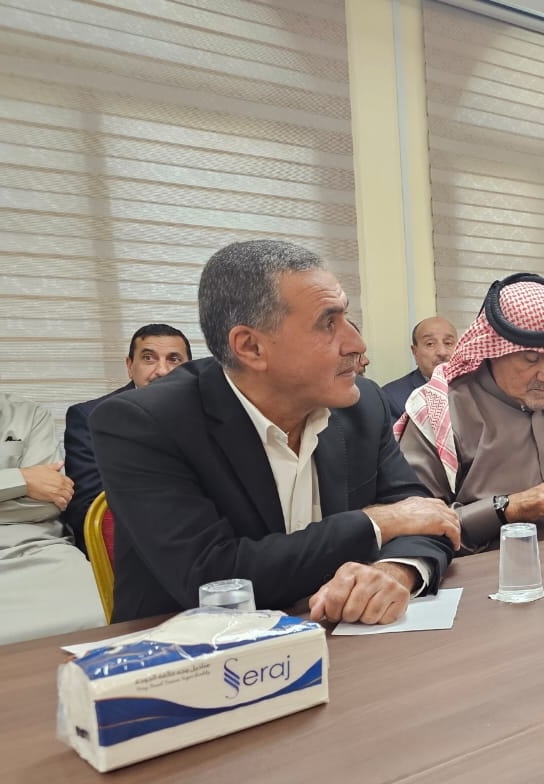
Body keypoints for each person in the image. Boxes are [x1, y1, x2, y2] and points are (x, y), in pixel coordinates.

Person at [91, 240, 457, 625]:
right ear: (251, 347)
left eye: (346, 317)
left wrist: (393, 572)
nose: (357, 344)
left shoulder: (362, 404)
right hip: (195, 649)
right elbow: (212, 577)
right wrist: (376, 523)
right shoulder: (144, 424)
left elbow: (424, 517)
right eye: (328, 323)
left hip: (339, 637)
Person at [398, 273, 544, 553]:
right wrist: (507, 508)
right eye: (531, 360)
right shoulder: (440, 412)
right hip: (494, 573)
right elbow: (415, 526)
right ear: (493, 352)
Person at [0, 336, 106, 645]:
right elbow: (35, 494)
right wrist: (22, 480)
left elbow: (50, 502)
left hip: (40, 551)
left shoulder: (30, 415)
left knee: (104, 615)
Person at [62, 323, 193, 552]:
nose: (162, 371)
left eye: (174, 359)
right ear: (130, 366)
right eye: (149, 358)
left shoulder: (207, 414)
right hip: (133, 543)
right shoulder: (91, 417)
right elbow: (90, 507)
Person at [381, 315, 458, 420]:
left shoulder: (472, 388)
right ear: (415, 352)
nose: (442, 352)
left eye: (448, 343)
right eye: (430, 344)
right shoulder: (391, 397)